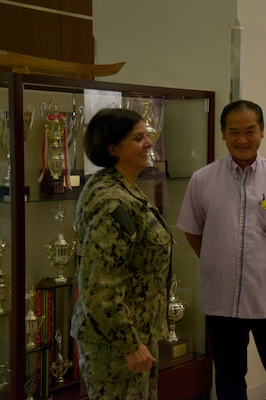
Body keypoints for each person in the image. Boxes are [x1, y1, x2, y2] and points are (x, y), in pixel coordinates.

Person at [176, 100, 266, 400]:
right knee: (229, 379)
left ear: (262, 132)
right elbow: (193, 231)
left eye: (250, 131)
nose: (242, 139)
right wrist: (219, 259)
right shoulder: (203, 180)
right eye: (233, 131)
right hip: (221, 301)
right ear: (222, 133)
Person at [71, 108, 173, 399]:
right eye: (138, 138)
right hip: (116, 345)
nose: (149, 144)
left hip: (136, 335)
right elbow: (99, 286)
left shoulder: (126, 188)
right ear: (113, 148)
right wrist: (128, 344)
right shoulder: (111, 200)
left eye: (147, 136)